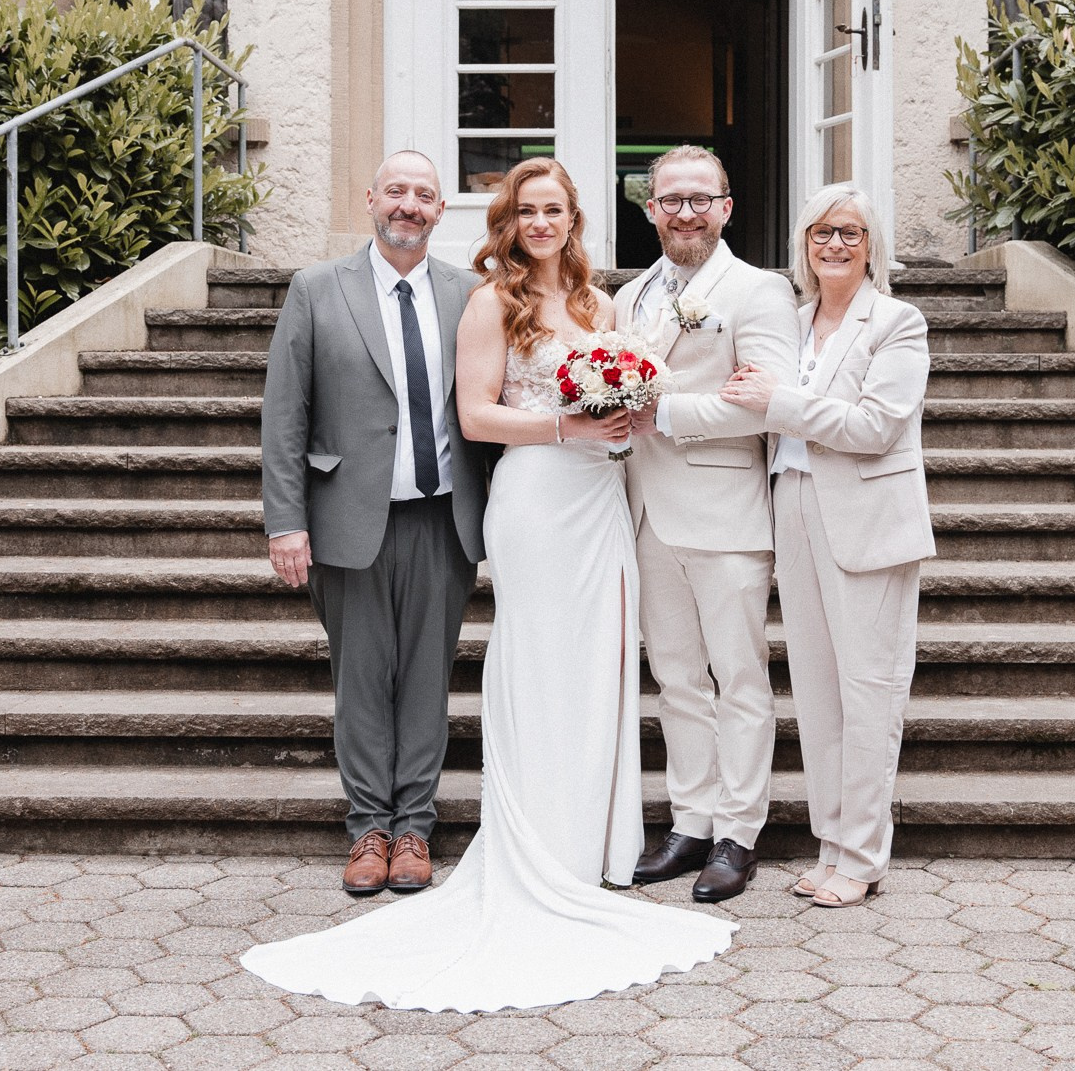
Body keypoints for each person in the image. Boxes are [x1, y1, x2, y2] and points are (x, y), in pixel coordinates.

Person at [240, 159, 736, 1011]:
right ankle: (431, 834)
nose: (541, 222)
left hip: (590, 506)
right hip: (525, 502)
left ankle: (582, 846)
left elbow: (622, 411)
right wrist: (566, 425)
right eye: (527, 210)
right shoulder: (478, 301)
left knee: (589, 668)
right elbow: (470, 415)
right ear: (509, 219)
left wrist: (617, 427)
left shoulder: (601, 306)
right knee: (505, 667)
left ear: (574, 219)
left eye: (555, 209)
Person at [258, 150, 487, 897]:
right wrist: (286, 521)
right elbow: (284, 416)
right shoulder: (317, 289)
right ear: (370, 198)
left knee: (426, 678)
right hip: (350, 520)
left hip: (440, 517)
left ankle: (416, 825)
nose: (408, 205)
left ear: (440, 210)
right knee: (361, 680)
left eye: (424, 194)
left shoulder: (470, 294)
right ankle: (368, 828)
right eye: (396, 190)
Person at [721, 183, 934, 909]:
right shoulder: (796, 317)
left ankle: (865, 854)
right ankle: (830, 842)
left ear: (870, 244)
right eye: (820, 233)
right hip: (796, 505)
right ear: (803, 245)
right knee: (816, 692)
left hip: (870, 518)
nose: (834, 245)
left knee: (869, 692)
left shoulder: (897, 323)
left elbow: (876, 424)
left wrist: (777, 402)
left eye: (848, 232)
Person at [616, 145, 798, 902]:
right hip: (646, 512)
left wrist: (667, 414)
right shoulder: (628, 298)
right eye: (670, 199)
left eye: (700, 198)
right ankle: (688, 822)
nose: (684, 211)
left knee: (740, 679)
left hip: (726, 515)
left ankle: (737, 833)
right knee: (677, 679)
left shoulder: (759, 291)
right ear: (650, 208)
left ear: (726, 207)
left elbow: (766, 395)